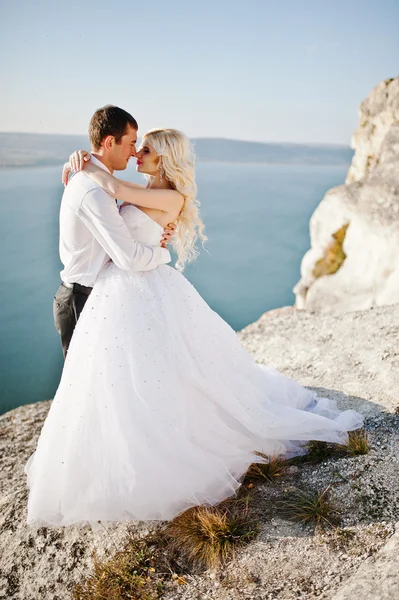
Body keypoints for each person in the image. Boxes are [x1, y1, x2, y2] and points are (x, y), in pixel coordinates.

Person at [24, 128, 363, 526]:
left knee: (154, 373)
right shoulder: (142, 188)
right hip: (118, 291)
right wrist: (78, 160)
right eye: (137, 146)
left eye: (145, 149)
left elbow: (110, 186)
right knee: (122, 376)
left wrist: (85, 166)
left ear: (165, 159)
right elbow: (111, 198)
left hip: (140, 285)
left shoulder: (169, 196)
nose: (138, 154)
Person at [53, 105, 175, 357]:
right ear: (110, 142)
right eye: (131, 143)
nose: (134, 153)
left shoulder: (99, 182)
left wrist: (154, 229)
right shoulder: (94, 190)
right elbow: (128, 257)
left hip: (95, 295)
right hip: (81, 300)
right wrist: (162, 253)